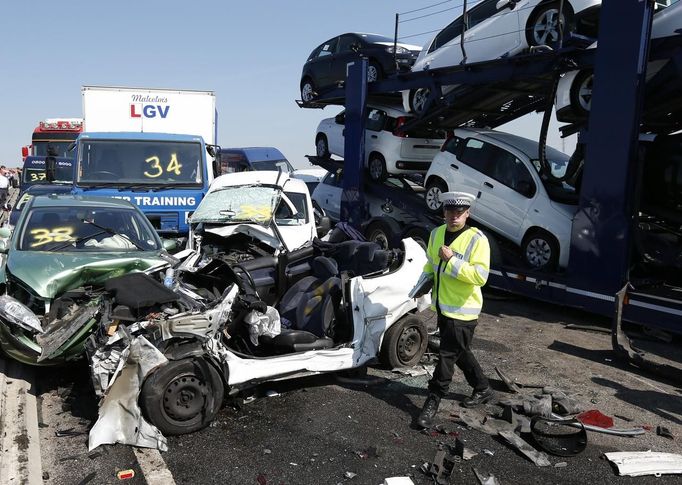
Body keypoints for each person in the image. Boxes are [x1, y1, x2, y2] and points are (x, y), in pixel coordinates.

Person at [416, 191, 493, 428]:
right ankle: (483, 388)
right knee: (460, 351)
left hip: (464, 311)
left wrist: (452, 261)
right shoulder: (436, 234)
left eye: (459, 212)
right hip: (443, 307)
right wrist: (422, 284)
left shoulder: (477, 239)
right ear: (444, 212)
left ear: (467, 214)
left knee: (447, 355)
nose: (454, 216)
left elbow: (480, 277)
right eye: (450, 211)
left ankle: (434, 398)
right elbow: (430, 263)